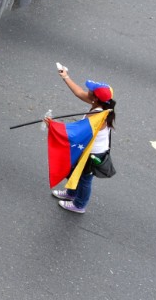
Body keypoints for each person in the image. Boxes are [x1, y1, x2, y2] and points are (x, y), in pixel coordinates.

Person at [49, 68, 116, 214]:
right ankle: (71, 193)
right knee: (75, 172)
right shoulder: (102, 105)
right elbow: (79, 92)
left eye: (90, 91)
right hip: (86, 149)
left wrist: (53, 126)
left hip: (92, 154)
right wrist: (65, 77)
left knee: (85, 179)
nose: (87, 91)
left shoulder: (96, 116)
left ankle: (79, 205)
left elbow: (75, 133)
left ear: (96, 98)